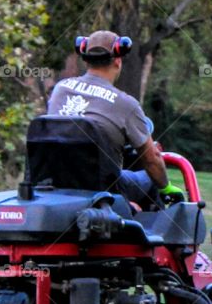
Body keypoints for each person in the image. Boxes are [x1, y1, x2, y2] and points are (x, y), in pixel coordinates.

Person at [46, 30, 175, 205]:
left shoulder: (60, 89)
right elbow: (151, 159)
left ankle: (130, 210)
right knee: (151, 177)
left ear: (86, 60)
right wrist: (166, 187)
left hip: (56, 183)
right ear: (117, 60)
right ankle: (154, 222)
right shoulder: (126, 104)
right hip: (103, 189)